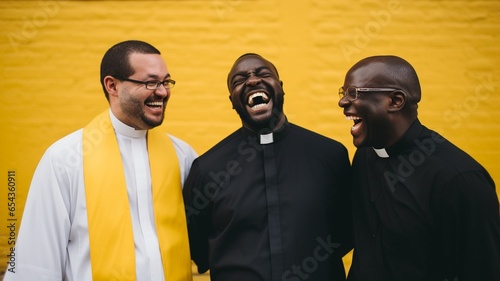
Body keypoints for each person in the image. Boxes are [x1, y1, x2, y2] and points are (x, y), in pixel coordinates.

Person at [4, 40, 197, 281]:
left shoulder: (183, 155)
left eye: (166, 82)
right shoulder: (65, 159)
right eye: (150, 82)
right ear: (112, 85)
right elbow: (37, 262)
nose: (162, 91)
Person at [183, 53, 353, 281]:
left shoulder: (330, 156)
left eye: (263, 74)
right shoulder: (206, 169)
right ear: (232, 101)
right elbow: (200, 248)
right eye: (239, 80)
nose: (252, 81)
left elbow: (348, 231)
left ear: (280, 88)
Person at [338, 55, 500, 281]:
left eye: (353, 93)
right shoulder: (365, 155)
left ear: (395, 101)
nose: (343, 102)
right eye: (343, 93)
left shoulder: (460, 180)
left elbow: (482, 271)